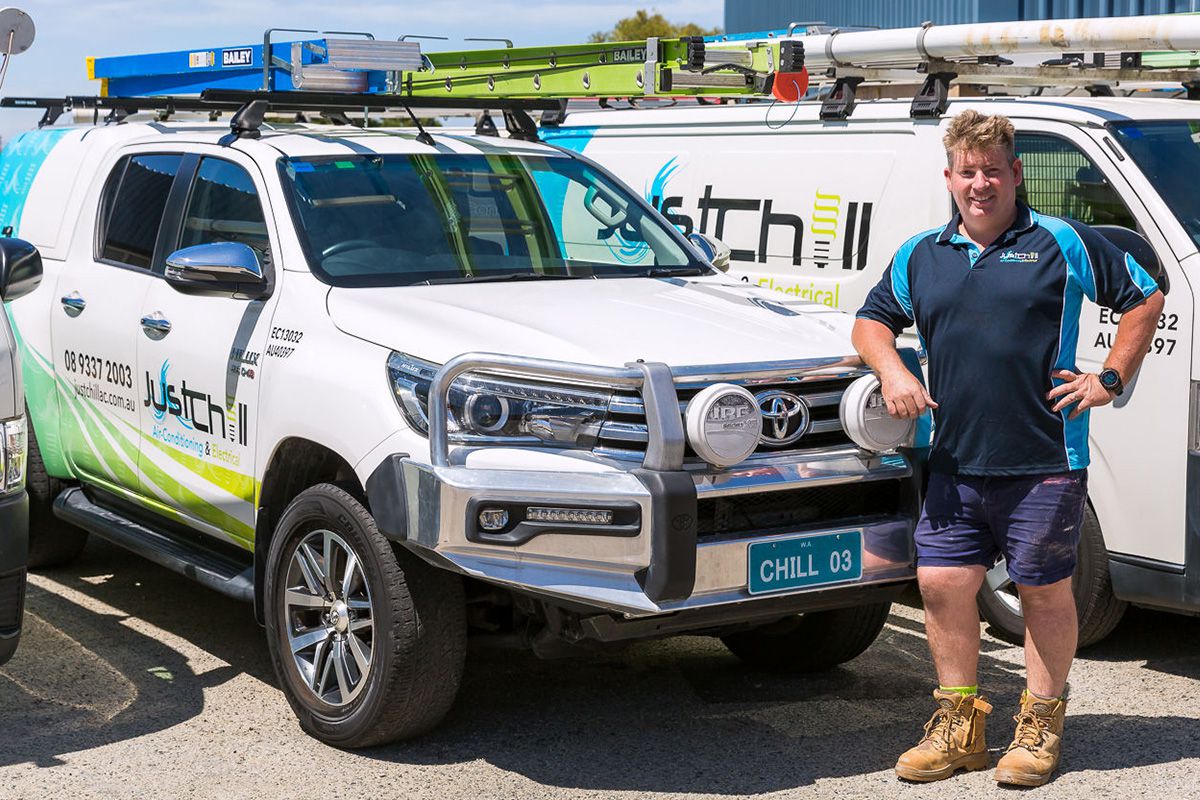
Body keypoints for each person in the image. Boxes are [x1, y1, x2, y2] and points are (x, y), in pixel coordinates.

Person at [852, 110, 1163, 787]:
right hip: (954, 460)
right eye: (969, 172)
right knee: (940, 586)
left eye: (994, 170)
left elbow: (1144, 296)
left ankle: (1041, 724)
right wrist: (895, 370)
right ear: (950, 178)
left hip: (1043, 457)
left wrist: (1109, 378)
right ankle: (959, 727)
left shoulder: (1059, 240)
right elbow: (872, 320)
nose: (981, 183)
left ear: (1016, 174)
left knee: (1044, 593)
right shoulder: (920, 253)